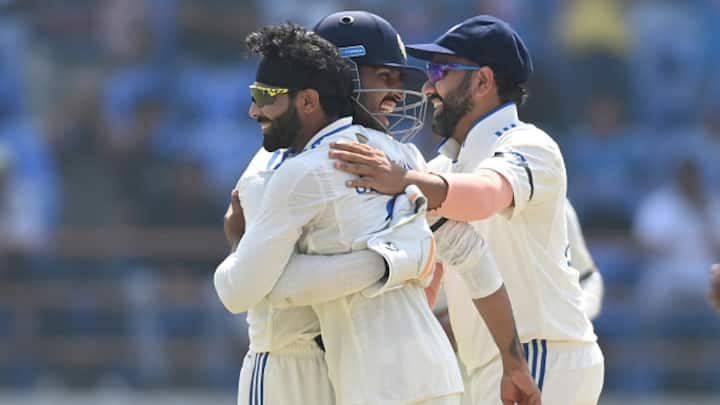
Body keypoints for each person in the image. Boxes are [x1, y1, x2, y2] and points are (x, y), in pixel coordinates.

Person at [223, 13, 540, 405]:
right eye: (384, 78)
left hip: (362, 376)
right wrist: (401, 261)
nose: (398, 94)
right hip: (291, 367)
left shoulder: (399, 159)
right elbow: (258, 291)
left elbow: (469, 254)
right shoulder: (273, 168)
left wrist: (512, 363)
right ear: (337, 76)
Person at [328, 15, 605, 404]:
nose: (427, 87)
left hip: (540, 353)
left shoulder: (527, 143)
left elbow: (486, 196)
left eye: (441, 71)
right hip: (487, 367)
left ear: (482, 81)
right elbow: (432, 274)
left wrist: (404, 180)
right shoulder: (441, 170)